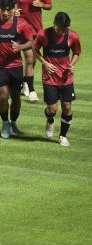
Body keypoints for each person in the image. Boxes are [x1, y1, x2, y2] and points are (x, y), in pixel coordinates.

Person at [0, 0, 34, 138]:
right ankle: (5, 123)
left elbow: (31, 42)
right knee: (4, 97)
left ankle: (13, 123)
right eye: (2, 10)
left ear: (13, 9)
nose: (5, 13)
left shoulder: (21, 24)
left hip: (16, 66)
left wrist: (20, 46)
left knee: (16, 97)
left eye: (8, 10)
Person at [34, 12, 81, 147]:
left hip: (66, 77)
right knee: (52, 109)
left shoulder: (72, 36)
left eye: (64, 28)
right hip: (49, 77)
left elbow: (76, 52)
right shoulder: (43, 35)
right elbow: (35, 49)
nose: (62, 31)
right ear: (54, 24)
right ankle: (50, 120)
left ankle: (62, 136)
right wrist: (45, 63)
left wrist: (72, 64)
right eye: (60, 28)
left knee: (67, 107)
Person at [11, 0, 52, 102]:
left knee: (33, 60)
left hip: (37, 30)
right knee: (29, 58)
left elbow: (49, 5)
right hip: (22, 29)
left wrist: (41, 4)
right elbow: (8, 7)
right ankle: (32, 89)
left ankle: (25, 82)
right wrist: (13, 12)